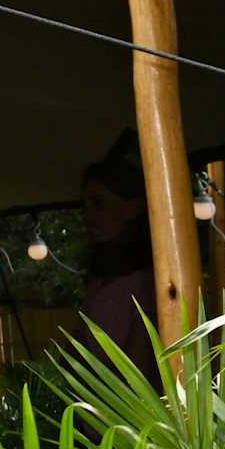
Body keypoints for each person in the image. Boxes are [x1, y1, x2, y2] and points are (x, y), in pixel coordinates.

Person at [73, 131, 161, 376]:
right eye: (85, 206)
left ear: (134, 207)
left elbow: (137, 373)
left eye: (99, 203)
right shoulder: (100, 280)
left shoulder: (148, 284)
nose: (88, 217)